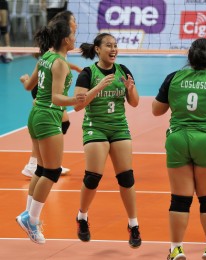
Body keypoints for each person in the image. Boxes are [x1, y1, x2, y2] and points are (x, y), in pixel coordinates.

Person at [152, 38, 206, 260]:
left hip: (178, 139)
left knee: (179, 199)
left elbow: (156, 110)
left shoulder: (173, 78)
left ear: (189, 56)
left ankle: (175, 249)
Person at [16, 18, 85, 244]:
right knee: (52, 171)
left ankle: (29, 219)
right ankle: (31, 219)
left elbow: (29, 87)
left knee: (41, 169)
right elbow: (57, 97)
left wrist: (26, 79)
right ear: (65, 40)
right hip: (48, 116)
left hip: (35, 115)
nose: (75, 39)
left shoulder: (46, 56)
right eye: (73, 36)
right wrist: (76, 98)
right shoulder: (59, 63)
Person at [73, 33, 141, 248]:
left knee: (127, 178)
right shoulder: (87, 74)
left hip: (119, 127)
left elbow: (135, 103)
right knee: (93, 177)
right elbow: (78, 105)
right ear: (97, 49)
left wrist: (130, 90)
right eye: (108, 46)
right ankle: (82, 217)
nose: (113, 49)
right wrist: (99, 86)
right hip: (95, 128)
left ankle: (134, 224)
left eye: (115, 46)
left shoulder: (123, 71)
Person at [21, 10, 82, 178]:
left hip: (44, 96)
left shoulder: (52, 54)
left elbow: (54, 61)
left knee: (63, 123)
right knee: (49, 172)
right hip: (47, 94)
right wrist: (79, 100)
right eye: (74, 21)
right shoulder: (55, 56)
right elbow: (57, 68)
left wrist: (75, 68)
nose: (76, 24)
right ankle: (36, 163)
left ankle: (42, 161)